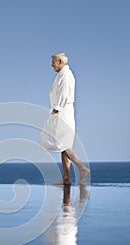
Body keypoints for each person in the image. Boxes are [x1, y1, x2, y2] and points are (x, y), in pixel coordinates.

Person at [40, 52, 90, 185]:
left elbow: (64, 94)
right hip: (61, 111)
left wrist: (56, 109)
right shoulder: (62, 75)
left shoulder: (67, 75)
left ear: (61, 62)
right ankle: (66, 178)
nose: (52, 65)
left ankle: (82, 168)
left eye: (53, 62)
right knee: (63, 145)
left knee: (64, 145)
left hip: (62, 112)